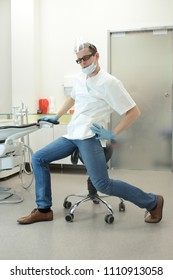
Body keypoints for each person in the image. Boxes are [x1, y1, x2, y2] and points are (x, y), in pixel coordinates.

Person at [17, 42, 164, 225]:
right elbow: (73, 97)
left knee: (103, 184)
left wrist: (112, 133)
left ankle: (153, 201)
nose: (83, 63)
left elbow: (134, 112)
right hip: (73, 134)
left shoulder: (110, 82)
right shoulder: (80, 78)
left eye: (86, 58)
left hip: (90, 137)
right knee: (39, 158)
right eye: (79, 60)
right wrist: (57, 116)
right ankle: (44, 209)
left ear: (96, 56)